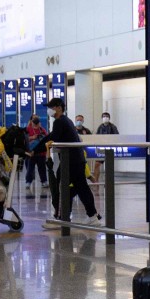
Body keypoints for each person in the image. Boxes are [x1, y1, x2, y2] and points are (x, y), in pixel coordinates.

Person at [35, 98, 102, 229]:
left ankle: (62, 219)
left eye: (51, 107)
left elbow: (53, 138)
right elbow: (53, 137)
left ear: (59, 107)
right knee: (77, 189)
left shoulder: (60, 121)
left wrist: (35, 150)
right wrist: (37, 148)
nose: (49, 110)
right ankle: (90, 217)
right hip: (75, 160)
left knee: (65, 188)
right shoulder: (66, 120)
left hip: (70, 162)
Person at [91, 111, 119, 183]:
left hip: (110, 149)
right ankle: (96, 181)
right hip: (101, 148)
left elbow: (117, 136)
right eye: (104, 117)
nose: (105, 118)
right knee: (97, 164)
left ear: (109, 118)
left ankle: (109, 182)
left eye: (106, 117)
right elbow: (97, 137)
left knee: (109, 166)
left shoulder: (113, 127)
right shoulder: (100, 127)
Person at [25, 114, 48, 196]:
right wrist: (32, 137)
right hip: (31, 153)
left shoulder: (42, 130)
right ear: (31, 120)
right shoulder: (27, 129)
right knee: (30, 169)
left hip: (41, 153)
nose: (36, 120)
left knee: (42, 168)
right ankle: (28, 182)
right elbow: (24, 139)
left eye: (37, 119)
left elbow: (46, 138)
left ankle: (44, 181)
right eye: (34, 119)